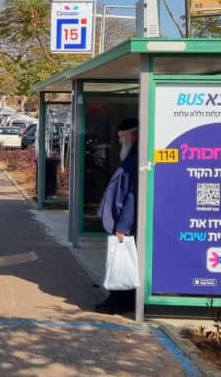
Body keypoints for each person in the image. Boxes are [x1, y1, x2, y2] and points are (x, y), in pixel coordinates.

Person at [94, 118, 139, 314]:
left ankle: (119, 302)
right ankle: (120, 300)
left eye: (121, 137)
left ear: (130, 136)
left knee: (123, 263)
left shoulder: (136, 160)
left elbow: (133, 197)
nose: (119, 141)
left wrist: (122, 226)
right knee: (122, 261)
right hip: (123, 221)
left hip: (126, 224)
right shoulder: (132, 157)